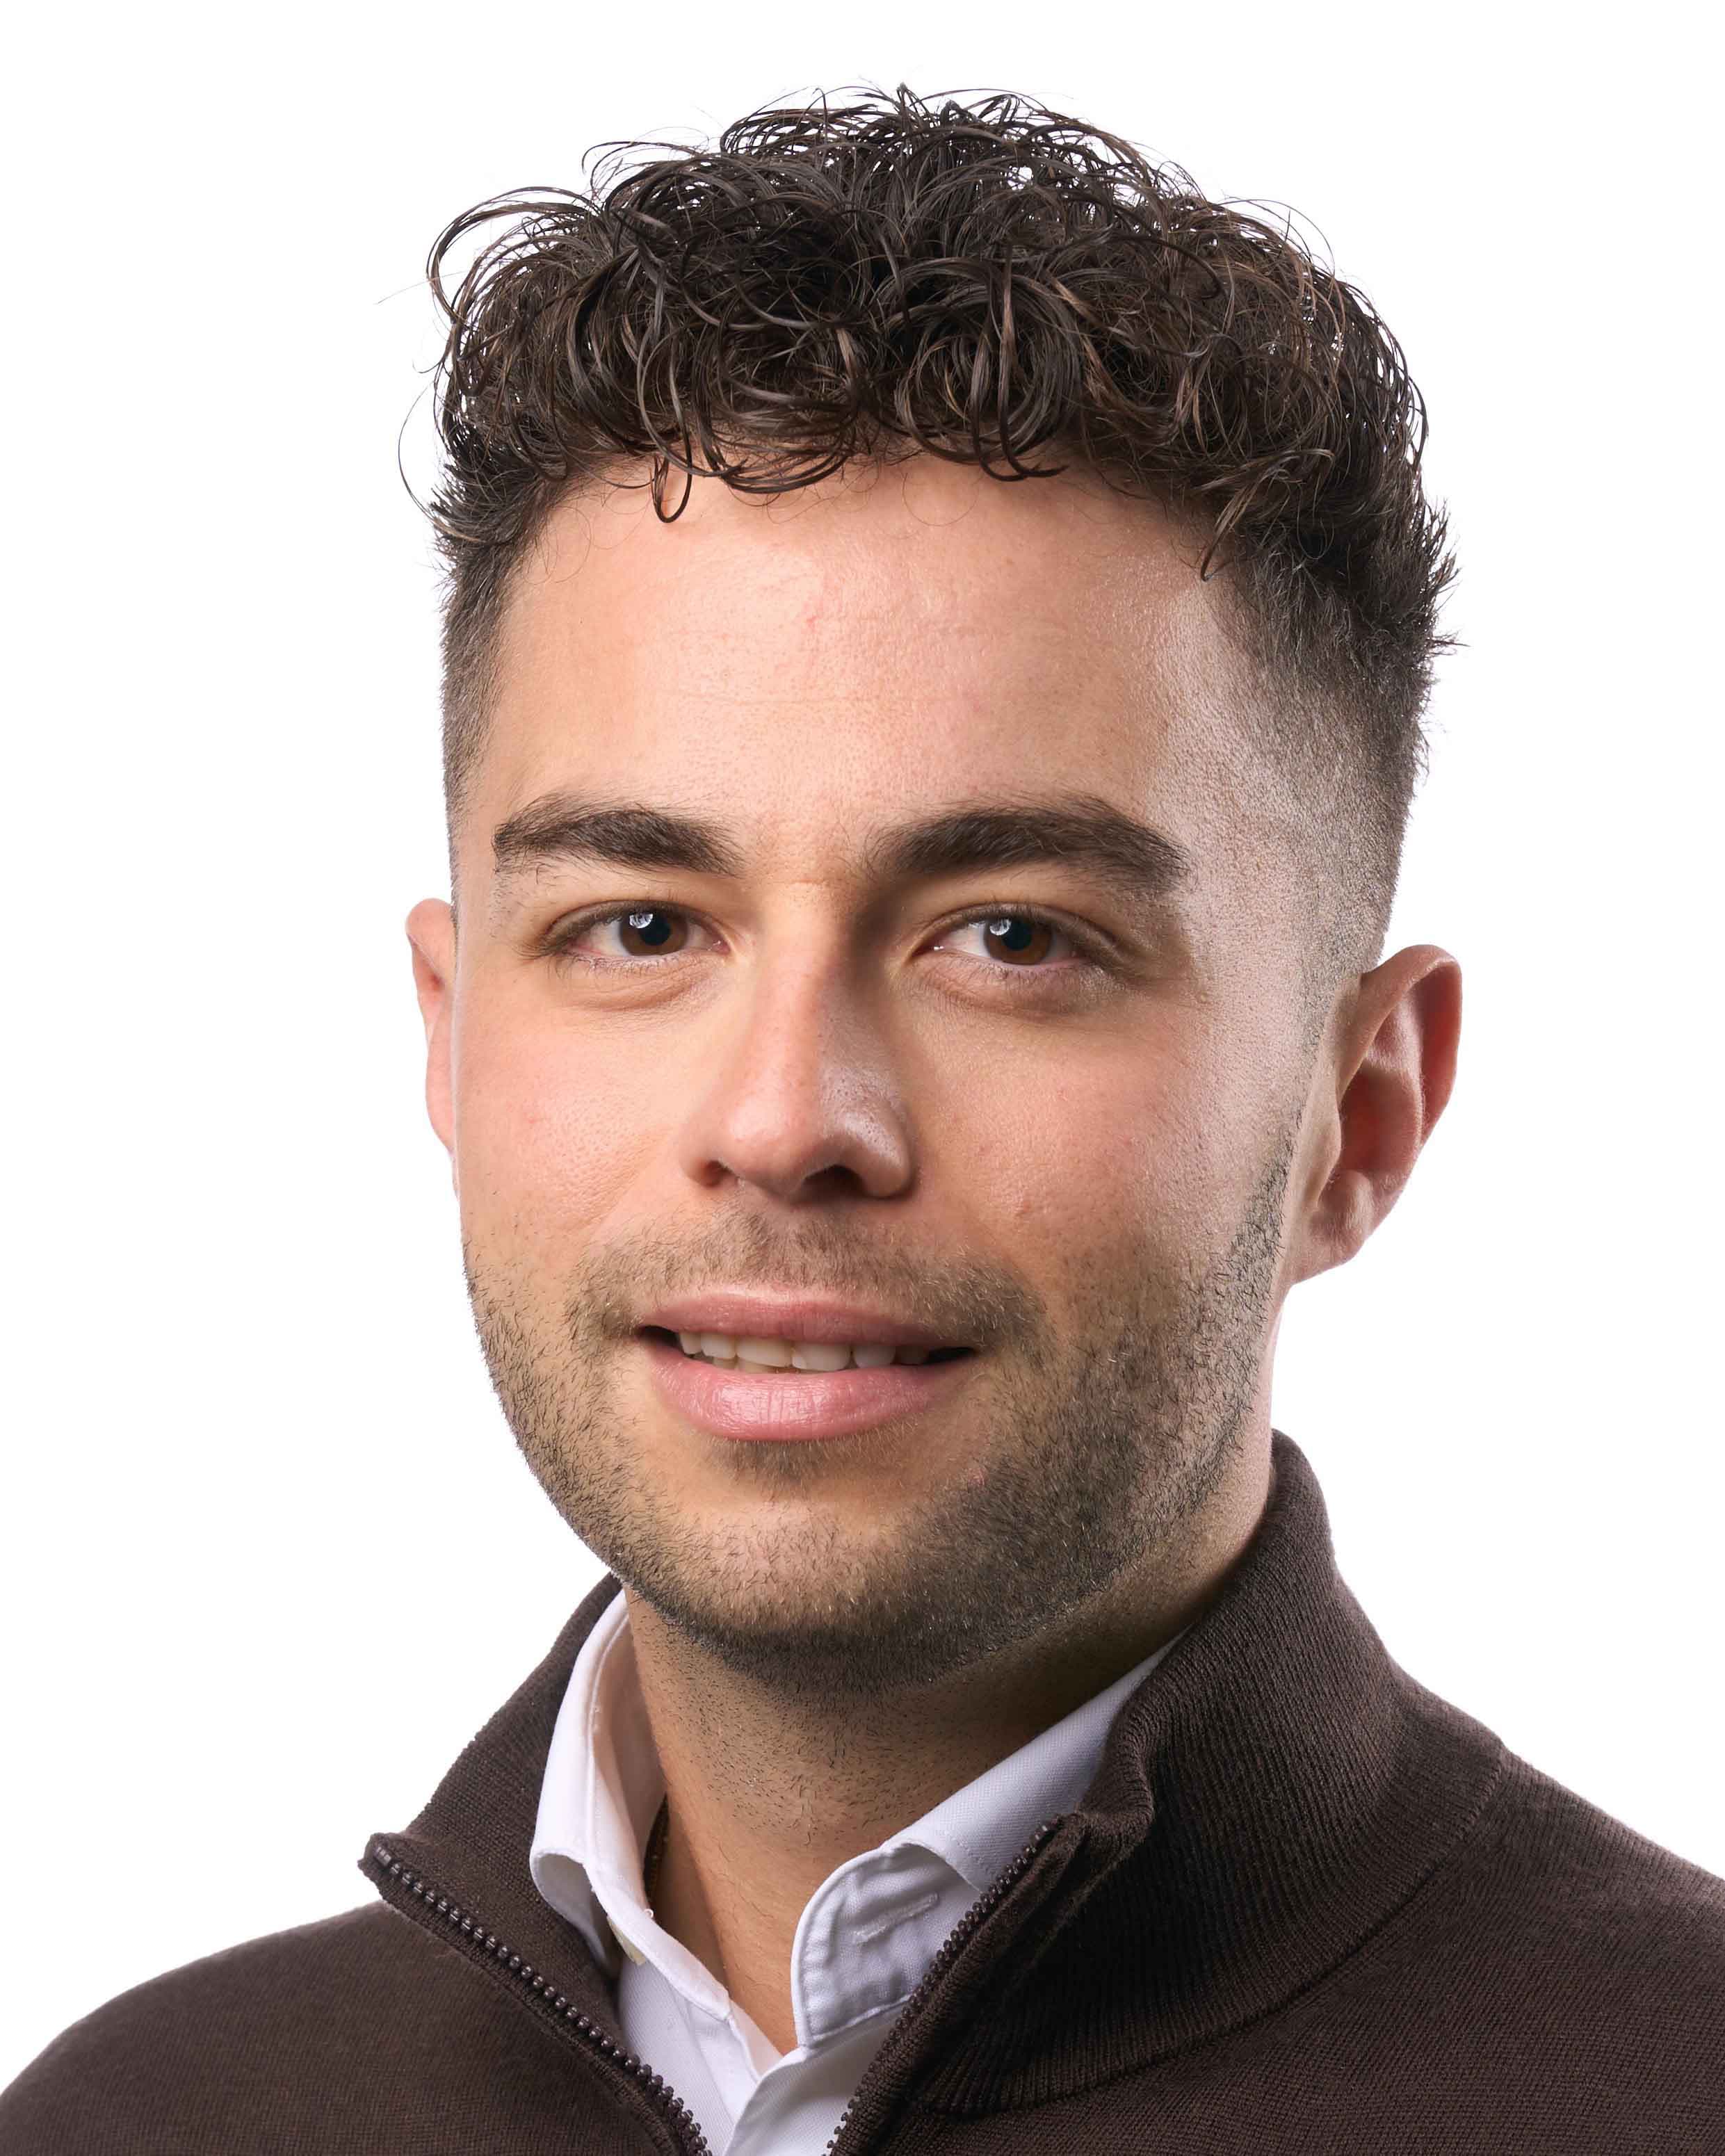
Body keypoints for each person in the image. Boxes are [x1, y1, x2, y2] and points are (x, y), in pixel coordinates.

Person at [5, 81, 1720, 2156]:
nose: (784, 1120)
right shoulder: (139, 2124)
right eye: (643, 925)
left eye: (1010, 937)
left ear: (1358, 1117)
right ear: (451, 1040)